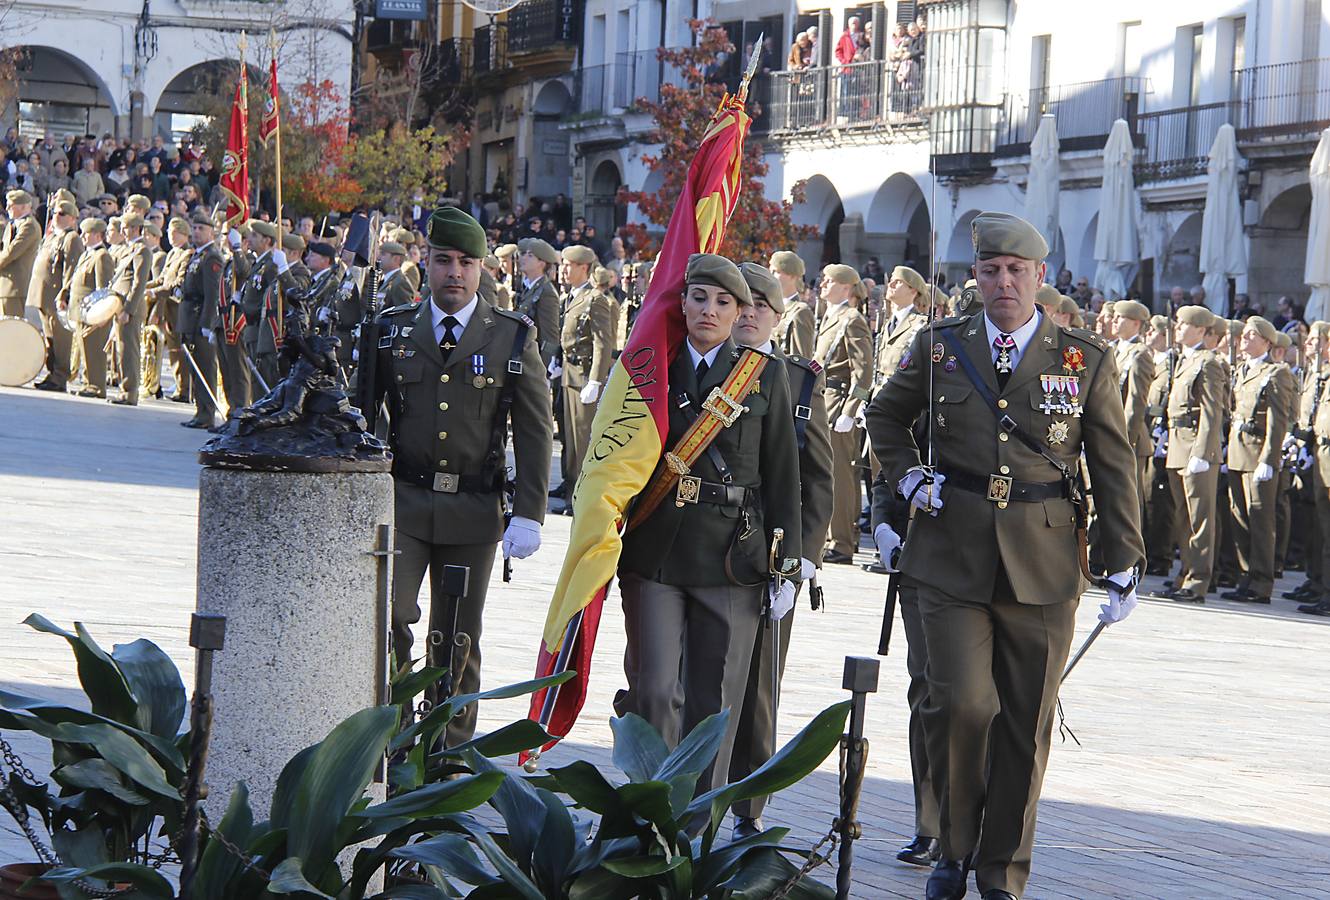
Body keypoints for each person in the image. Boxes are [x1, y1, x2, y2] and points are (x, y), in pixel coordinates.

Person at [865, 211, 1143, 900]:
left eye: (1017, 271)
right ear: (976, 277)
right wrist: (906, 478)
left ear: (1040, 277)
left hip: (1045, 560)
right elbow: (883, 418)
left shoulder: (1083, 359)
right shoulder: (938, 347)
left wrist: (1125, 556)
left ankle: (1002, 872)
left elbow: (1113, 463)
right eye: (991, 270)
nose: (1004, 282)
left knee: (1026, 725)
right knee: (957, 704)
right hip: (950, 553)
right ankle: (953, 851)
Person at [615, 252, 802, 794]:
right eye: (700, 297)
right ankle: (650, 809)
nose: (710, 310)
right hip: (656, 550)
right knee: (652, 688)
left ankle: (697, 829)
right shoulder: (650, 367)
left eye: (724, 302)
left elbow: (782, 472)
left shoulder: (763, 377)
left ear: (741, 311)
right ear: (683, 301)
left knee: (713, 701)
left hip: (730, 556)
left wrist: (785, 566)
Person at [371, 207, 552, 745]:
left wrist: (529, 513)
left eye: (466, 263)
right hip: (403, 503)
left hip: (474, 511)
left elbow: (536, 429)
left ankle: (448, 751)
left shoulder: (511, 338)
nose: (454, 272)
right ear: (425, 262)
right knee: (390, 620)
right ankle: (394, 736)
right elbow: (365, 414)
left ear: (482, 269)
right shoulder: (392, 330)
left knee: (457, 638)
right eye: (444, 260)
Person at [728, 260, 833, 837]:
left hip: (770, 551)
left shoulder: (800, 381)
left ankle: (750, 805)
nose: (745, 315)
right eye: (738, 303)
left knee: (760, 685)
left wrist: (804, 560)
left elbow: (819, 478)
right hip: (707, 543)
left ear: (776, 317)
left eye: (759, 307)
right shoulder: (703, 367)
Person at [1159, 305, 1225, 603]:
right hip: (1177, 444)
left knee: (1200, 519)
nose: (1178, 328)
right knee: (1183, 517)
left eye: (1184, 324)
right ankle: (1185, 573)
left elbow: (1212, 411)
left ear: (1200, 329)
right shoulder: (1184, 360)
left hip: (1196, 447)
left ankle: (1199, 580)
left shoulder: (1208, 362)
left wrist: (1203, 451)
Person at [1220, 316, 1288, 604]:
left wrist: (1269, 460)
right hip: (1237, 453)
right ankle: (1246, 576)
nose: (1244, 339)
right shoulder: (1243, 370)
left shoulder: (1276, 373)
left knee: (1261, 521)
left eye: (1251, 335)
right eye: (1244, 334)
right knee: (1240, 519)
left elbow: (1278, 421)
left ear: (1267, 342)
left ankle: (1261, 583)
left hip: (1258, 455)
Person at [814, 263, 873, 564]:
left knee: (840, 476)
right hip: (824, 401)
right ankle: (831, 537)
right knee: (828, 474)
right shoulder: (830, 316)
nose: (822, 283)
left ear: (846, 287)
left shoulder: (853, 320)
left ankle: (842, 543)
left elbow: (863, 374)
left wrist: (851, 409)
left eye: (830, 280)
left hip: (838, 404)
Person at [557, 247, 615, 491]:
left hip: (583, 375)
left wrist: (595, 381)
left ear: (584, 268)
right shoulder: (570, 296)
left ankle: (581, 492)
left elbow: (603, 342)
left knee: (583, 439)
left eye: (569, 265)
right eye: (563, 264)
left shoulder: (595, 299)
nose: (563, 269)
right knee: (568, 437)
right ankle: (570, 484)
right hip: (568, 374)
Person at [27, 199, 83, 393]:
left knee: (61, 339)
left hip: (56, 295)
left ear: (72, 219)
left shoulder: (71, 238)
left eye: (61, 214)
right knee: (50, 337)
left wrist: (65, 293)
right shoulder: (52, 237)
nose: (55, 217)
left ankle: (60, 376)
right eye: (55, 213)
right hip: (43, 294)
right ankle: (52, 374)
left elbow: (71, 269)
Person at [178, 210, 225, 427]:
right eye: (195, 228)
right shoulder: (197, 254)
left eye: (201, 229)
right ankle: (200, 412)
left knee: (205, 367)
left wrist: (207, 324)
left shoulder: (212, 257)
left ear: (212, 233)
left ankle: (207, 414)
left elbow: (213, 293)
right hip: (189, 316)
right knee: (194, 366)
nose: (196, 232)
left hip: (199, 318)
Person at [1113, 300, 1156, 506]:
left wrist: (1126, 439)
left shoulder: (1140, 354)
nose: (1114, 321)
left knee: (1128, 500)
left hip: (1129, 437)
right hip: (1111, 433)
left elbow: (1136, 401)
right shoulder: (1114, 350)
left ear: (1136, 324)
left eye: (1120, 317)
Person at [67, 217, 114, 397]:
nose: (82, 236)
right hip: (81, 311)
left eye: (86, 233)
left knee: (94, 349)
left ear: (96, 235)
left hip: (93, 313)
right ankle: (88, 382)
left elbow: (103, 288)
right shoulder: (87, 254)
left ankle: (97, 386)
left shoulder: (102, 256)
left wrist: (101, 314)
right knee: (85, 348)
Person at [514, 236, 562, 366]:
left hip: (534, 362)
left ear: (542, 263)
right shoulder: (528, 288)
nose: (523, 258)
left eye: (530, 256)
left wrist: (544, 370)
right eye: (524, 254)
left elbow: (550, 336)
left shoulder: (546, 292)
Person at [0, 189, 40, 318]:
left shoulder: (29, 226)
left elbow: (12, 252)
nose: (7, 208)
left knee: (13, 328)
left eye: (11, 205)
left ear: (23, 206)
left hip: (16, 287)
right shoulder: (13, 224)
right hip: (6, 285)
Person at [769, 250, 814, 358]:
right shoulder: (771, 306)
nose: (771, 275)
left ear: (793, 276)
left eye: (776, 272)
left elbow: (801, 359)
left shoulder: (800, 312)